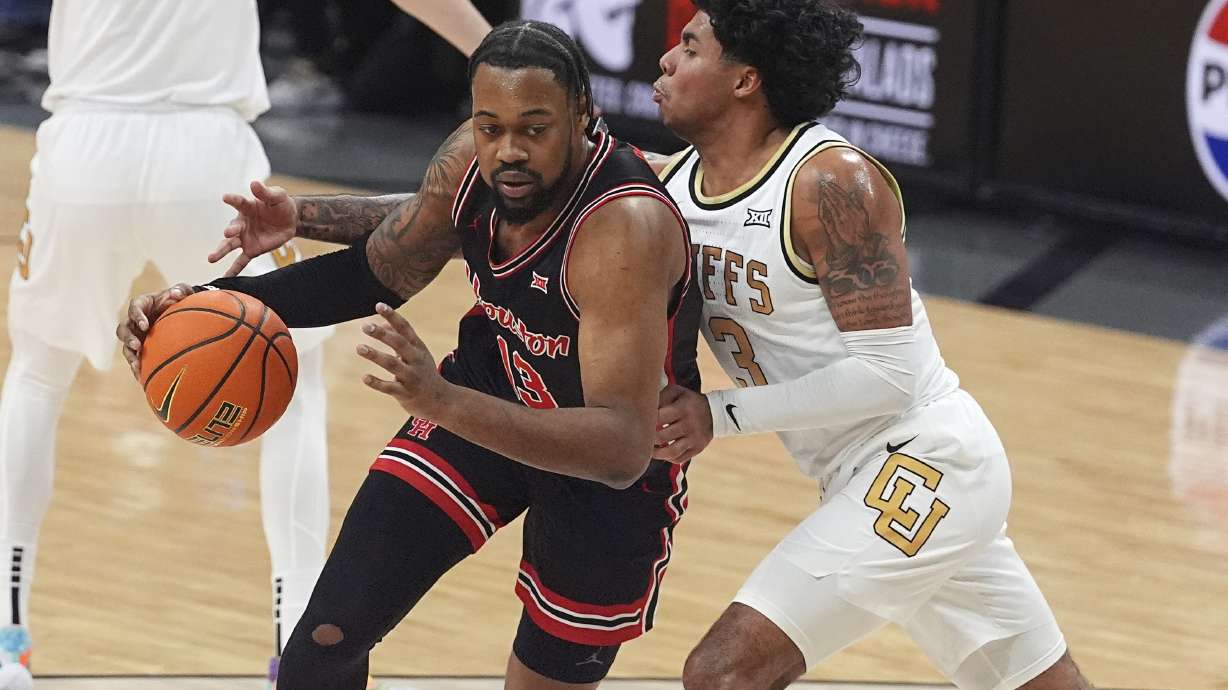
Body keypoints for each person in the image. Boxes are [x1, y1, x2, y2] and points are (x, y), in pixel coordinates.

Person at [118, 19, 701, 690]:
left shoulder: (622, 229)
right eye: (490, 126)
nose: (508, 149)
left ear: (583, 117)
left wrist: (441, 399)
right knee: (327, 637)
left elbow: (622, 448)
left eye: (534, 129)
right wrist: (201, 305)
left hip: (602, 470)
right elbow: (378, 271)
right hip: (495, 388)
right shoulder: (470, 164)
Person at [646, 2, 1094, 688]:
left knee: (723, 672)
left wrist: (718, 413)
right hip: (856, 478)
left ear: (745, 80)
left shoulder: (829, 182)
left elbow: (888, 378)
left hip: (925, 461)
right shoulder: (673, 183)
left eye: (691, 47)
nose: (666, 61)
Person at [0, 1, 334, 687]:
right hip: (208, 152)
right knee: (295, 383)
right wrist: (487, 42)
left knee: (37, 375)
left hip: (88, 143)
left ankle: (6, 638)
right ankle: (301, 654)